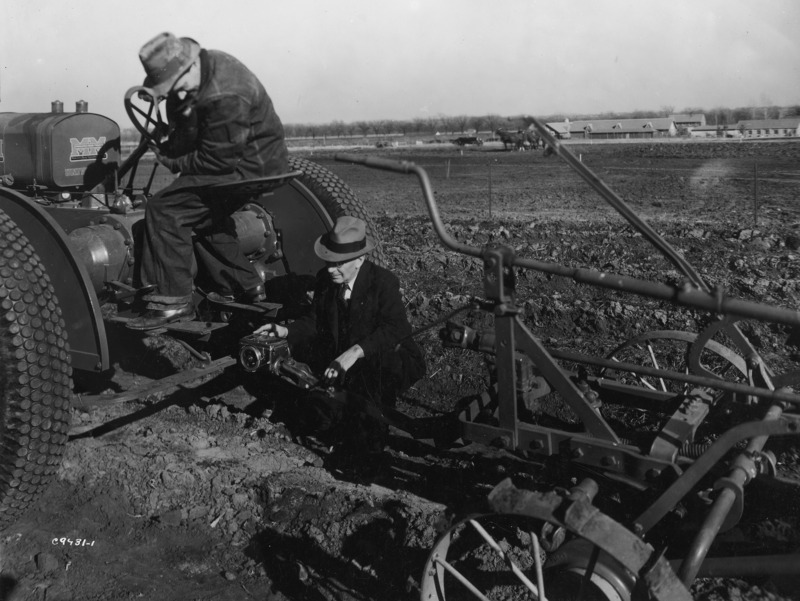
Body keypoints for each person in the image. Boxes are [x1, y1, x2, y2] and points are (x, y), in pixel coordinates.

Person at [128, 32, 289, 330]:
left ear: (188, 67)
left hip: (249, 169)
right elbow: (200, 132)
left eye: (173, 86)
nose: (173, 94)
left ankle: (171, 301)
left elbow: (216, 162)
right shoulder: (209, 66)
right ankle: (245, 284)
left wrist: (170, 158)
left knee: (164, 210)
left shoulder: (225, 94)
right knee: (204, 217)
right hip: (261, 162)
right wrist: (173, 141)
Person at [254, 216, 426, 444]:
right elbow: (315, 321)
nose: (332, 269)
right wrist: (285, 331)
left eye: (339, 263)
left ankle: (371, 438)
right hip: (344, 356)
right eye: (328, 262)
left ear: (359, 260)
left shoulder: (383, 282)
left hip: (385, 357)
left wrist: (354, 352)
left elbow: (396, 329)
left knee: (367, 401)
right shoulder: (325, 281)